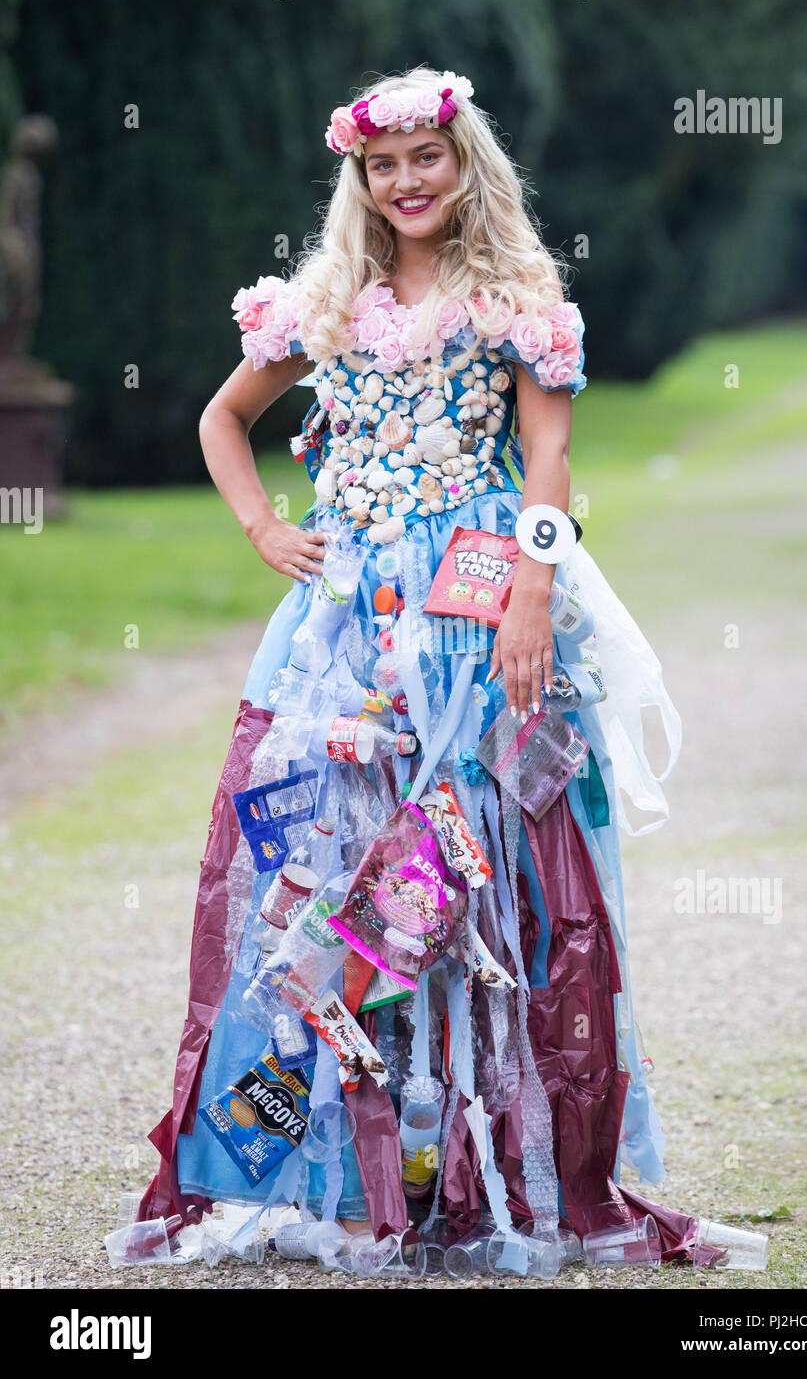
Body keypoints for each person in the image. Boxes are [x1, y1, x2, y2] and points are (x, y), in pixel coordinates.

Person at [137, 65, 702, 1267]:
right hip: (344, 621)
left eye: (425, 160)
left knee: (477, 862)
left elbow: (546, 457)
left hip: (478, 604)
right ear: (359, 178)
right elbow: (220, 417)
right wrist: (261, 528)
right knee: (331, 860)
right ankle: (346, 1161)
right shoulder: (321, 302)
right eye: (381, 166)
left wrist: (532, 595)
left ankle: (487, 1164)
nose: (405, 182)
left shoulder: (516, 299)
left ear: (464, 166)